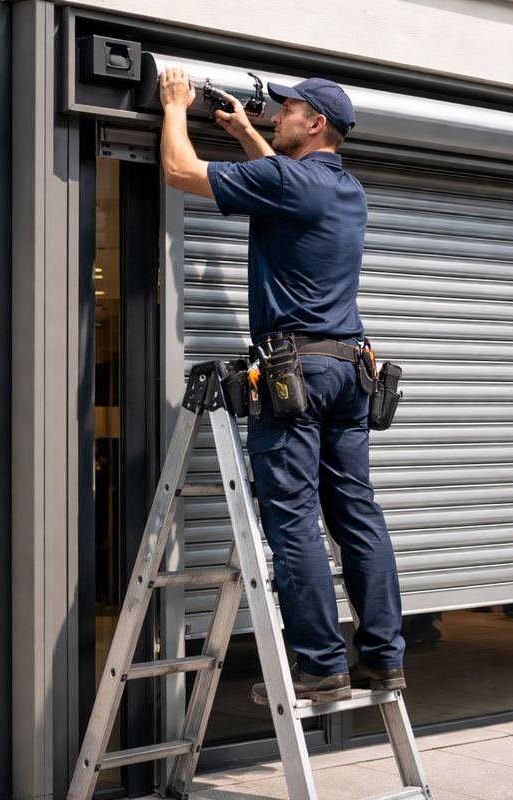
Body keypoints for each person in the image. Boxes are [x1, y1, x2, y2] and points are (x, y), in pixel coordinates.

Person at [158, 67, 405, 703]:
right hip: (350, 369)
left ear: (315, 123)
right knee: (357, 514)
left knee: (292, 519)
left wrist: (175, 107)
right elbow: (285, 185)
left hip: (296, 373)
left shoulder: (289, 181)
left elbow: (181, 173)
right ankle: (383, 658)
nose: (277, 116)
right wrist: (244, 133)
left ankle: (320, 666)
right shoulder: (346, 189)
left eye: (288, 109)